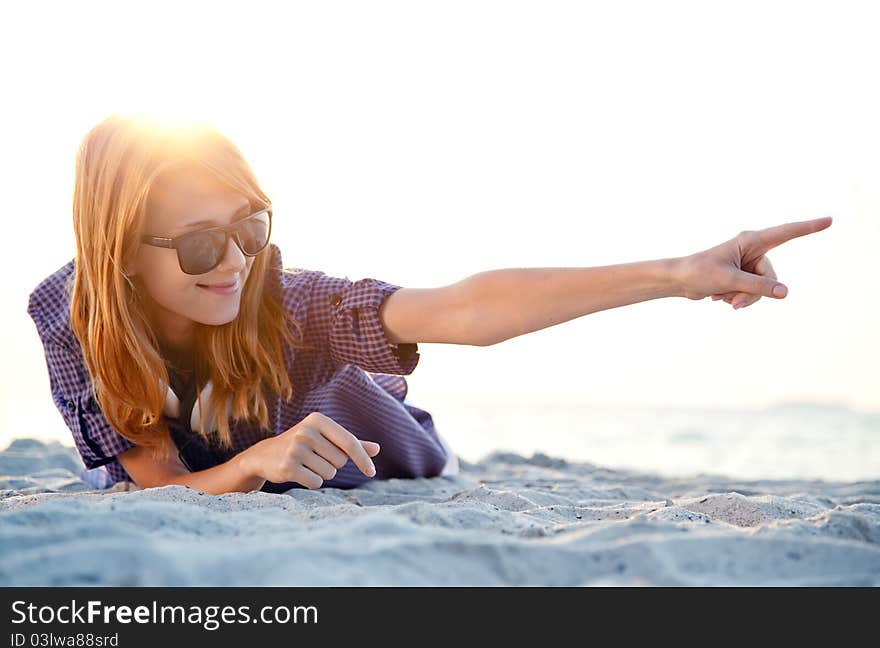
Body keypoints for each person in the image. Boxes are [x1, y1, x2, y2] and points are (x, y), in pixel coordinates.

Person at [27, 113, 833, 496]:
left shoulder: (281, 299)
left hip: (369, 433)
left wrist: (680, 272)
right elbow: (152, 483)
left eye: (251, 226)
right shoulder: (68, 312)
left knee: (358, 418)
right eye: (202, 245)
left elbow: (462, 310)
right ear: (120, 254)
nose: (236, 262)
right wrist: (253, 465)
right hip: (232, 450)